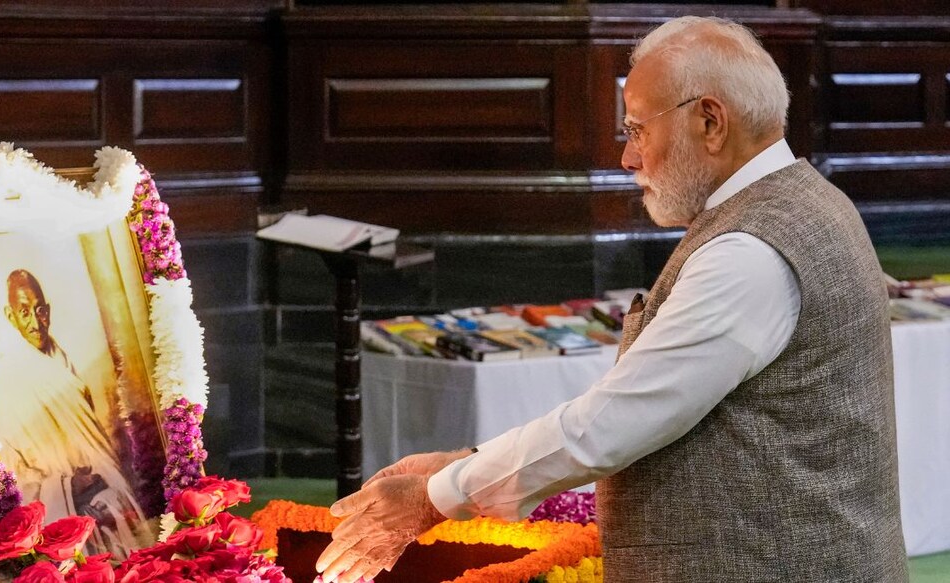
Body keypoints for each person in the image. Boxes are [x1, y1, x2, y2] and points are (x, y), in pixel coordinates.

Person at [316, 16, 908, 583]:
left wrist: (437, 496)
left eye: (636, 129)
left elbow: (613, 425)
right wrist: (462, 462)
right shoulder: (802, 203)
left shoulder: (750, 250)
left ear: (710, 121)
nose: (627, 158)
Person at [0, 268, 152, 558]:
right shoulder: (6, 375)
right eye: (24, 311)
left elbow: (89, 437)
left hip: (97, 485)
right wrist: (66, 486)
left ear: (48, 311)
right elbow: (10, 469)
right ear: (10, 315)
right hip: (58, 499)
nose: (35, 322)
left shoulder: (59, 358)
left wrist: (102, 478)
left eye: (40, 311)